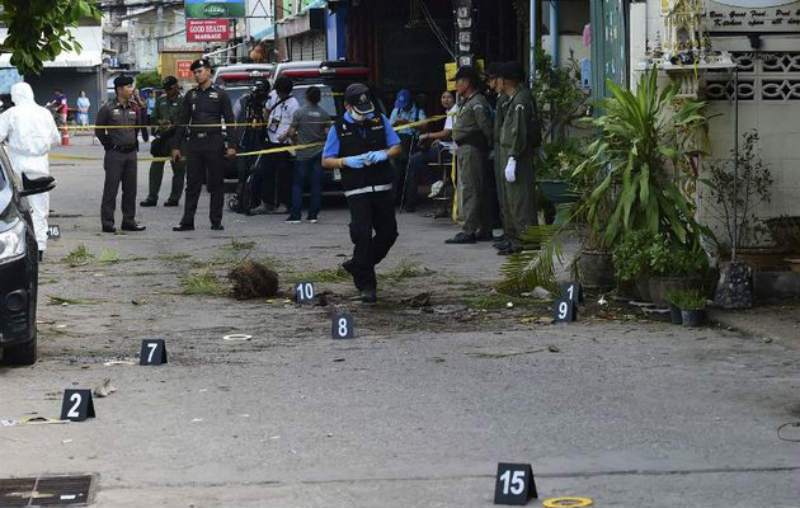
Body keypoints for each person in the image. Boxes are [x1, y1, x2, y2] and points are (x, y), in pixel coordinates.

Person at [321, 83, 402, 303]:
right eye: (359, 110)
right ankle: (367, 285)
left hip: (382, 186)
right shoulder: (338, 129)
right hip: (356, 189)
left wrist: (384, 154)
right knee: (362, 235)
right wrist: (345, 162)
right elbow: (326, 160)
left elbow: (396, 145)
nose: (364, 115)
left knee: (389, 234)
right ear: (347, 106)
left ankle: (358, 265)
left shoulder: (379, 120)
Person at [172, 58, 236, 231]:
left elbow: (230, 121)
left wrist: (232, 145)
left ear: (208, 71)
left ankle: (216, 221)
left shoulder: (220, 94)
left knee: (216, 184)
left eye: (200, 71)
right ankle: (187, 221)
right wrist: (176, 147)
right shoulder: (191, 95)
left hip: (214, 142)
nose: (197, 75)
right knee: (192, 184)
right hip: (195, 144)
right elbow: (182, 121)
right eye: (195, 72)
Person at [0, 82, 61, 259]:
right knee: (41, 206)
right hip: (40, 163)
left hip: (17, 162)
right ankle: (40, 246)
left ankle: (21, 246)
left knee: (18, 207)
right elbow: (55, 139)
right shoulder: (44, 113)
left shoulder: (11, 114)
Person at [496, 61, 540, 255]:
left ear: (506, 80)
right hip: (512, 152)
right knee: (513, 199)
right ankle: (518, 239)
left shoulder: (521, 100)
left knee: (521, 199)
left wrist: (513, 156)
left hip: (518, 154)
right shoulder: (515, 99)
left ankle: (528, 241)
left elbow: (519, 132)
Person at [446, 66, 493, 244]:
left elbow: (486, 128)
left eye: (458, 82)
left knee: (471, 189)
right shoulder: (468, 101)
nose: (456, 86)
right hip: (466, 148)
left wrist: (489, 147)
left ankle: (469, 229)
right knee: (474, 188)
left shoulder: (477, 102)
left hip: (473, 149)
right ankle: (481, 227)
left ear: (467, 82)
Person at [95, 76, 148, 233]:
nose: (132, 89)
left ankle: (129, 220)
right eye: (129, 87)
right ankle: (107, 222)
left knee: (131, 189)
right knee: (111, 189)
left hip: (131, 154)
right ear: (119, 89)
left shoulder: (134, 107)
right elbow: (99, 130)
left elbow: (139, 125)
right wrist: (108, 145)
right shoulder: (108, 108)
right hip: (115, 154)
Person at [401, 89, 456, 212]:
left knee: (415, 160)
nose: (445, 100)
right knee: (417, 158)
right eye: (443, 97)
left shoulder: (454, 111)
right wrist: (439, 139)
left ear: (454, 99)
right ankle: (435, 183)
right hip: (445, 146)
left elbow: (447, 133)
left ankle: (433, 183)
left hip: (449, 150)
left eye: (449, 97)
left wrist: (429, 136)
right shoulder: (449, 112)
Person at [252, 76, 299, 214]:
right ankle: (267, 203)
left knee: (284, 175)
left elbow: (294, 124)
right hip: (269, 140)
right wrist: (264, 122)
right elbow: (266, 110)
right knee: (266, 172)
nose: (279, 95)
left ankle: (284, 203)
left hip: (283, 144)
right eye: (278, 92)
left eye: (281, 93)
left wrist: (286, 135)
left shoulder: (293, 104)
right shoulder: (272, 95)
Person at [285, 85, 331, 223]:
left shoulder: (299, 113)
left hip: (302, 154)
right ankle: (313, 215)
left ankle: (296, 215)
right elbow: (328, 135)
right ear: (319, 98)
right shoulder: (324, 114)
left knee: (298, 185)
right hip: (319, 153)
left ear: (306, 96)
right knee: (316, 185)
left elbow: (292, 133)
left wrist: (294, 143)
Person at [141, 76, 185, 207]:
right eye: (166, 89)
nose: (168, 91)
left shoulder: (184, 101)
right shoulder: (161, 100)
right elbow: (153, 118)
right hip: (162, 138)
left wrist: (174, 125)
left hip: (178, 138)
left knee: (179, 170)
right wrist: (160, 123)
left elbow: (186, 119)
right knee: (155, 168)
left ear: (176, 86)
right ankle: (152, 197)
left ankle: (174, 198)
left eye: (170, 88)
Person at [232, 78, 271, 214]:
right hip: (244, 142)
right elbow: (234, 119)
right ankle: (240, 199)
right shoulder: (244, 101)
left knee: (258, 172)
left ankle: (255, 200)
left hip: (260, 142)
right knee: (243, 173)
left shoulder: (268, 102)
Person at [487, 62, 512, 251]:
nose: (491, 83)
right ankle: (508, 231)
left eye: (493, 79)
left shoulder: (508, 100)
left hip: (506, 148)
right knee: (503, 194)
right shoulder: (501, 98)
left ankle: (513, 233)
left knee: (510, 195)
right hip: (499, 147)